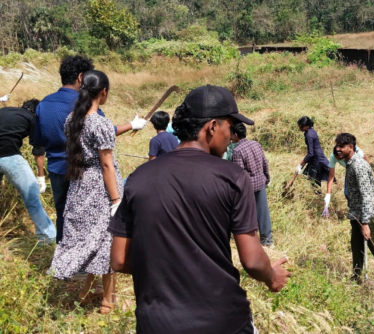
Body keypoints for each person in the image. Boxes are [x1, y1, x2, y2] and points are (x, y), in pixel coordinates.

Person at [109, 85, 290, 333]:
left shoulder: (139, 178)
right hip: (221, 320)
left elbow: (119, 260)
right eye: (229, 126)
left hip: (157, 322)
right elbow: (252, 260)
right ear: (213, 126)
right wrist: (272, 276)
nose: (231, 134)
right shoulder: (232, 177)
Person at [34, 55, 146, 244]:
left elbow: (38, 143)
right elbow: (102, 133)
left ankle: (65, 257)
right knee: (88, 216)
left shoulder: (43, 104)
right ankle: (86, 261)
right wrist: (132, 124)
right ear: (80, 77)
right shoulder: (82, 105)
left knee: (63, 214)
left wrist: (40, 175)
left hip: (55, 169)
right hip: (82, 170)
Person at [48, 70, 121, 314]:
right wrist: (116, 199)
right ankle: (108, 300)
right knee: (107, 239)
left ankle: (86, 291)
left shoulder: (72, 119)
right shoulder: (100, 123)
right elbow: (107, 164)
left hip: (79, 184)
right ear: (104, 92)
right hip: (100, 186)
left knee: (90, 238)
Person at [335, 133, 374, 285]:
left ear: (351, 147)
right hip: (357, 213)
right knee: (356, 247)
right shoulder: (350, 163)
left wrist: (366, 223)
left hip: (369, 214)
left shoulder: (359, 166)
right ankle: (356, 278)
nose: (338, 149)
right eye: (337, 146)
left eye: (341, 146)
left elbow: (366, 196)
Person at [0, 99, 56, 244]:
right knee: (32, 197)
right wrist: (41, 178)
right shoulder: (32, 119)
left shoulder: (4, 111)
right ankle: (47, 237)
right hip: (9, 156)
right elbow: (38, 150)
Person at [231, 122, 273, 247]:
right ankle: (267, 240)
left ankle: (251, 241)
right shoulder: (255, 144)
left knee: (248, 214)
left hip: (248, 187)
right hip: (260, 182)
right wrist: (267, 178)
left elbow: (240, 173)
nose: (230, 137)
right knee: (263, 212)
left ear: (236, 134)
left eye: (231, 135)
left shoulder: (238, 151)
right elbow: (265, 162)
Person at [324, 144, 369, 210]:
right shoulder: (333, 156)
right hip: (349, 172)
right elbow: (331, 176)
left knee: (362, 192)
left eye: (341, 158)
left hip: (361, 171)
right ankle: (354, 209)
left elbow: (366, 160)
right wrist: (328, 194)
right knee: (347, 193)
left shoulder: (354, 150)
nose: (339, 159)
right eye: (338, 159)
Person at [296, 116, 330, 193]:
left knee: (314, 180)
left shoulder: (309, 135)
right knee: (314, 179)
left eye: (300, 126)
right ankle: (318, 196)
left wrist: (300, 164)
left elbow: (311, 153)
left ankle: (318, 198)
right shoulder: (311, 131)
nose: (299, 128)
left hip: (316, 159)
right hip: (316, 157)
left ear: (306, 126)